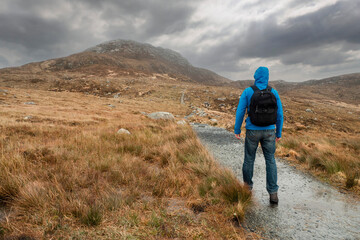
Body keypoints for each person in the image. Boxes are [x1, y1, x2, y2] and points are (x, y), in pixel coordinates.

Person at [234, 66, 283, 204]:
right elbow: (279, 115)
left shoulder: (248, 91)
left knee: (249, 159)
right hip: (269, 132)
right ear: (267, 77)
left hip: (252, 131)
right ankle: (273, 194)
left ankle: (247, 189)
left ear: (255, 76)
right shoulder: (274, 92)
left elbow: (240, 111)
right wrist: (278, 132)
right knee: (270, 161)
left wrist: (237, 129)